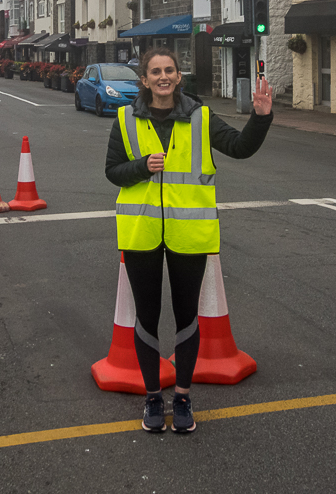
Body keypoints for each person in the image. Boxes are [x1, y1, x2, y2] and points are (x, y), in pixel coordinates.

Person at [104, 47, 272, 434]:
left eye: (170, 71)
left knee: (186, 319)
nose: (164, 77)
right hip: (141, 233)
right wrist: (141, 167)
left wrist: (260, 119)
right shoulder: (125, 120)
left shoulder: (201, 117)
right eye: (155, 72)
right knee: (146, 318)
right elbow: (113, 171)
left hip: (190, 235)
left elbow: (239, 148)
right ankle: (152, 397)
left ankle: (181, 397)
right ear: (144, 80)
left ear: (179, 77)